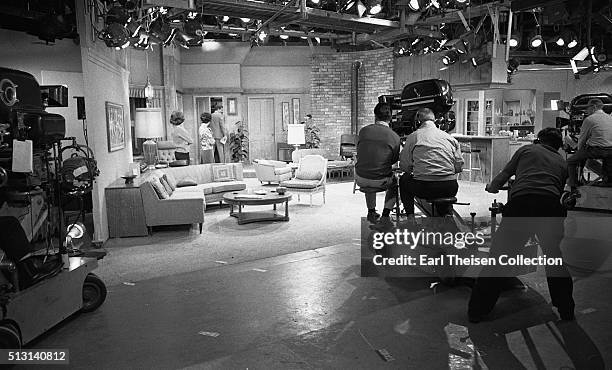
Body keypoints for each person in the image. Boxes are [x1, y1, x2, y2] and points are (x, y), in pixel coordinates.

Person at [468, 127, 574, 322]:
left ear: (539, 140)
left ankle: (477, 311)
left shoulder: (526, 150)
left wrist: (492, 187)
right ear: (558, 146)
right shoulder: (562, 162)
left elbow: (504, 174)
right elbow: (558, 190)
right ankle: (566, 309)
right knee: (554, 258)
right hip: (550, 208)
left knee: (499, 258)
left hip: (521, 205)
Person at [398, 107, 463, 217]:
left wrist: (417, 169)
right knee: (441, 186)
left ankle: (410, 218)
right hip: (450, 187)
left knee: (404, 180)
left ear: (418, 121)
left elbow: (404, 165)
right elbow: (459, 167)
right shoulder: (450, 138)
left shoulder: (414, 137)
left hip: (425, 187)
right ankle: (446, 214)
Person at [355, 102, 401, 228]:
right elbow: (393, 161)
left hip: (359, 178)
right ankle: (385, 216)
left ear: (375, 116)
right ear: (390, 117)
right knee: (395, 182)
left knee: (369, 170)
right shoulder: (395, 137)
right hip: (380, 180)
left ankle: (371, 212)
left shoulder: (363, 131)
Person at [567, 98, 612, 190]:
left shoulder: (589, 119)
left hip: (596, 150)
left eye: (588, 108)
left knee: (571, 161)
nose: (586, 110)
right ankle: (607, 180)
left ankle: (573, 184)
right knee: (592, 162)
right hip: (610, 150)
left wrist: (578, 151)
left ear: (594, 107)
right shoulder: (610, 118)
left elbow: (582, 139)